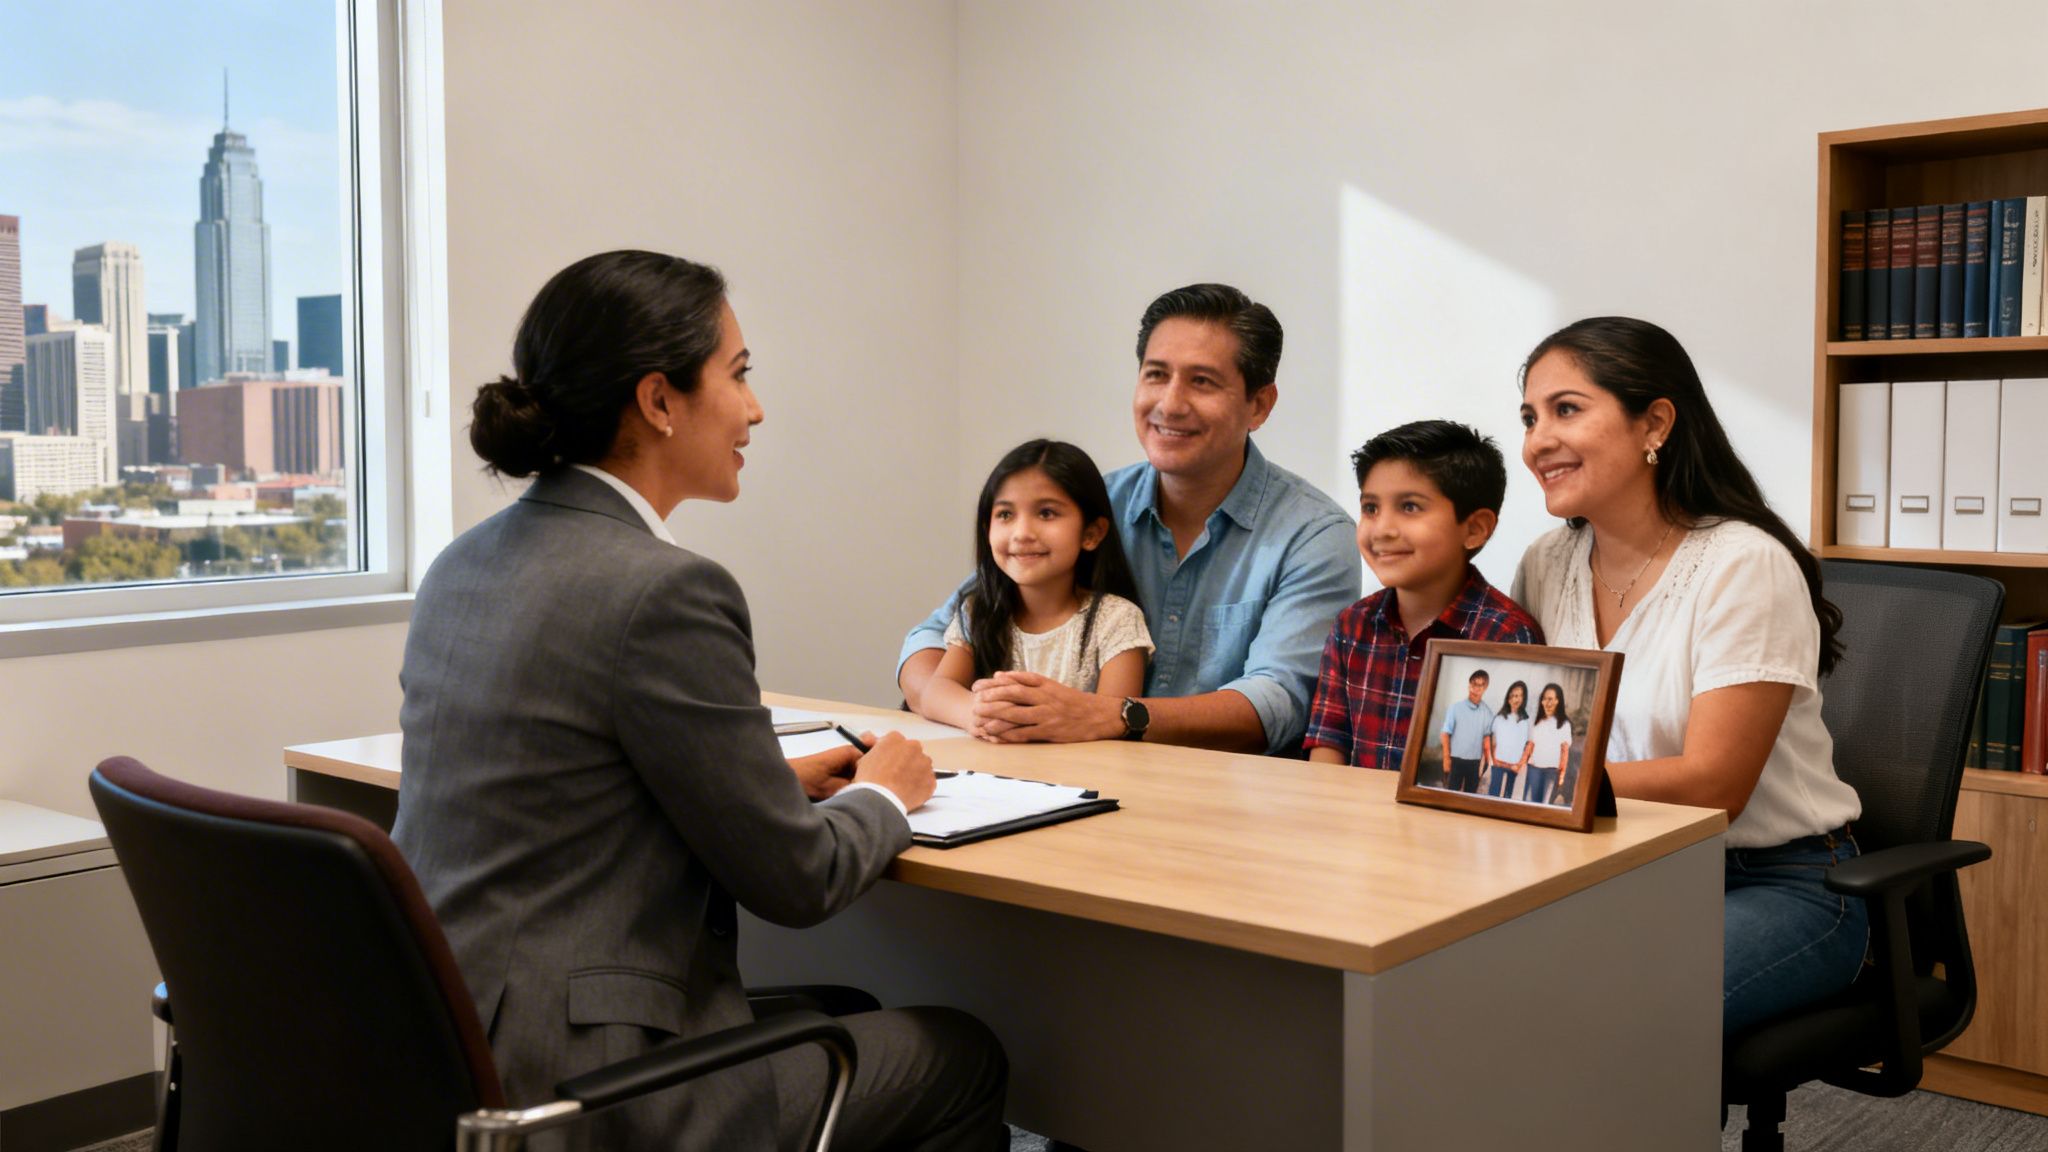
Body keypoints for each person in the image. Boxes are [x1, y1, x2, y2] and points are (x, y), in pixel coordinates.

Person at [391, 251, 1008, 1152]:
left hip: (446, 1042)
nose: (755, 408)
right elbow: (799, 882)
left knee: (846, 1009)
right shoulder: (665, 590)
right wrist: (886, 794)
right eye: (739, 374)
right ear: (659, 401)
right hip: (587, 1089)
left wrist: (766, 781)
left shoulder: (463, 564)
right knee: (962, 1051)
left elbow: (564, 783)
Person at [1510, 315, 1865, 1035]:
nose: (1537, 441)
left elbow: (1714, 787)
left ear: (1656, 423)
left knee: (1613, 1019)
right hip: (1619, 868)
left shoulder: (1742, 563)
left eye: (1566, 409)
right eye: (1529, 417)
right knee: (1465, 983)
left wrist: (1527, 783)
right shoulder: (1546, 564)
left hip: (1780, 882)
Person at [898, 284, 1360, 754]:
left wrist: (1110, 716)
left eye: (1202, 381)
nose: (1171, 404)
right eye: (1156, 375)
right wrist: (966, 710)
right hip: (1067, 784)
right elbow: (932, 638)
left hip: (1229, 802)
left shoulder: (1313, 535)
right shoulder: (1084, 506)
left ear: (1259, 405)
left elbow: (1278, 701)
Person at [1302, 419, 1542, 771]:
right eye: (1371, 508)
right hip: (1354, 822)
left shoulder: (1504, 636)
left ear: (1474, 529)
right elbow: (1328, 741)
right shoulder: (1352, 626)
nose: (1382, 529)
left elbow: (1501, 764)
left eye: (1410, 507)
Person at [914, 440, 1152, 733]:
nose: (1022, 533)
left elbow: (1112, 724)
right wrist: (977, 713)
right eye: (1005, 514)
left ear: (1091, 533)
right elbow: (936, 693)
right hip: (990, 771)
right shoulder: (977, 611)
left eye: (1046, 513)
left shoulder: (1117, 619)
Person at [1439, 669, 1493, 792]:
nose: (1477, 688)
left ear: (1485, 688)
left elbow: (1486, 743)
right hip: (1455, 760)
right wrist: (1446, 758)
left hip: (1474, 763)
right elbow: (1445, 733)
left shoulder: (1487, 713)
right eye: (1474, 684)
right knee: (1450, 793)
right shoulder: (1455, 708)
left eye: (1481, 685)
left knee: (1469, 795)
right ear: (1469, 685)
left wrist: (1482, 768)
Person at [1523, 682, 1573, 805]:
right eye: (1544, 699)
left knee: (1544, 805)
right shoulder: (1537, 722)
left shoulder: (1564, 724)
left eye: (1550, 699)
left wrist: (1561, 776)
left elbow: (1565, 751)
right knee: (1532, 802)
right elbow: (1530, 745)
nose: (1547, 703)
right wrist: (1523, 763)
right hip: (1534, 769)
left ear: (1557, 701)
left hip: (1551, 771)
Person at [1486, 680, 1533, 798]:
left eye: (1520, 696)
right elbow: (1493, 741)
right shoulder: (1500, 718)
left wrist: (1519, 765)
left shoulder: (1526, 721)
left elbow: (1528, 745)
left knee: (1508, 797)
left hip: (1514, 767)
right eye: (1513, 696)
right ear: (1508, 698)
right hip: (1499, 765)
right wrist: (1495, 761)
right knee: (1493, 796)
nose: (1516, 699)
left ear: (1523, 698)